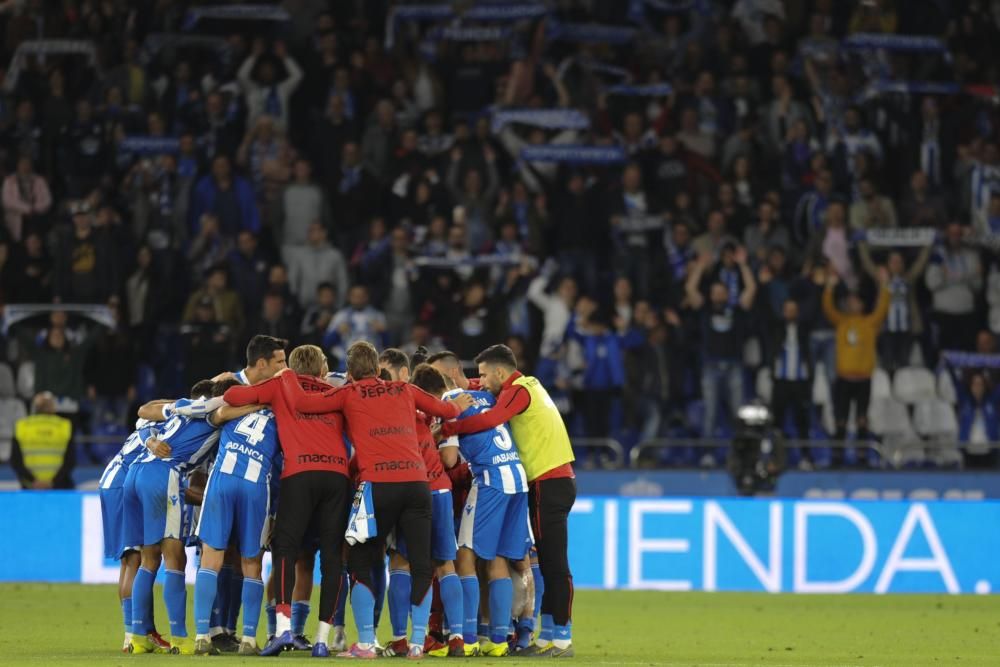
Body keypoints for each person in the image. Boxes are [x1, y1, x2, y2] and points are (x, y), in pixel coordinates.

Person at [281, 341, 473, 659]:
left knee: (361, 563)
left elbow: (304, 403)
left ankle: (367, 644)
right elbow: (444, 409)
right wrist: (460, 404)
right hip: (416, 484)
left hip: (376, 487)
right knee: (423, 564)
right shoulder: (404, 389)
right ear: (377, 367)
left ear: (352, 372)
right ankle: (415, 644)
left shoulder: (348, 393)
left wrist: (287, 375)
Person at [439, 344, 576, 657]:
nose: (482, 380)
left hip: (548, 481)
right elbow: (489, 396)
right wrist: (469, 386)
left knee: (555, 563)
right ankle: (548, 636)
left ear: (500, 372)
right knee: (544, 559)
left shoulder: (518, 390)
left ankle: (563, 636)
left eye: (485, 375)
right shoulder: (525, 385)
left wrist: (450, 426)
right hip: (543, 481)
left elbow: (493, 418)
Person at [223, 344, 352, 658]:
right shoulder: (334, 392)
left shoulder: (281, 384)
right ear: (322, 370)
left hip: (299, 473)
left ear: (289, 367)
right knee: (333, 557)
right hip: (337, 476)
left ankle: (282, 631)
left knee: (286, 550)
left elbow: (233, 397)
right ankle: (322, 639)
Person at [434, 365, 531, 658]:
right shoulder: (486, 397)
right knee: (498, 556)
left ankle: (467, 637)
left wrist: (434, 434)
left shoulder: (450, 401)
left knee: (465, 554)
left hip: (491, 482)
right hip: (517, 478)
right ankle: (499, 639)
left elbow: (450, 459)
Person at [123, 382, 222, 655]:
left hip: (136, 474)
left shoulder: (179, 410)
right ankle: (180, 638)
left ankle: (138, 636)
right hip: (163, 475)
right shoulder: (213, 411)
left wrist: (150, 439)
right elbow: (221, 409)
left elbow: (144, 412)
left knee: (148, 558)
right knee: (175, 557)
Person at [381, 358, 464, 658]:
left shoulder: (396, 409)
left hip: (408, 488)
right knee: (445, 565)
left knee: (402, 563)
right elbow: (449, 457)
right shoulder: (441, 414)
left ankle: (401, 639)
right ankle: (456, 638)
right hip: (439, 488)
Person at [192, 380, 282, 656]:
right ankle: (249, 640)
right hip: (255, 484)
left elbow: (214, 416)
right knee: (251, 561)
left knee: (211, 557)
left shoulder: (233, 408)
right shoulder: (280, 416)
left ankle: (201, 636)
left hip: (223, 479)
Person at [98, 418, 172, 653]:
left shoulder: (143, 430)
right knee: (135, 559)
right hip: (121, 488)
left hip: (113, 484)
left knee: (129, 560)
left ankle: (139, 631)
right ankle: (132, 635)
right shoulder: (158, 433)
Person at [823, 271, 890, 467]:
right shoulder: (841, 322)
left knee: (862, 420)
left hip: (863, 380)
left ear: (861, 305)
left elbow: (883, 308)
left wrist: (884, 286)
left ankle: (862, 458)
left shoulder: (870, 323)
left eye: (856, 301)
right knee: (840, 421)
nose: (852, 304)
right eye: (850, 301)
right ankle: (837, 457)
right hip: (843, 379)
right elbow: (828, 308)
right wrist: (829, 287)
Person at [10, 391, 74, 489]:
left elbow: (16, 461)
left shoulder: (22, 427)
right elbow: (70, 461)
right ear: (53, 407)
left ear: (35, 407)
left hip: (30, 487)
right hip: (58, 487)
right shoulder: (64, 426)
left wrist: (34, 481)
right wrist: (52, 482)